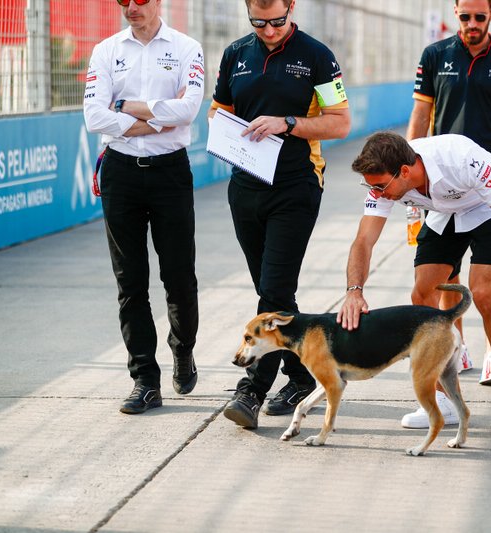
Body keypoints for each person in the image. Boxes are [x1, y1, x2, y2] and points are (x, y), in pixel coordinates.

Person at [209, 0, 350, 429]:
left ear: (291, 7)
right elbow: (220, 110)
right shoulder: (235, 54)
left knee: (272, 291)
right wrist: (226, 127)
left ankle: (251, 390)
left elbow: (340, 122)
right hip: (245, 187)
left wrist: (285, 122)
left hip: (296, 186)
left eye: (277, 21)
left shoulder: (317, 56)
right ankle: (304, 375)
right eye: (258, 22)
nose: (269, 30)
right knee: (274, 292)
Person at [338, 131, 491, 436]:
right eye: (370, 186)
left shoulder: (462, 160)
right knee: (423, 292)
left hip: (487, 206)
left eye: (379, 186)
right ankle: (444, 398)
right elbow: (364, 240)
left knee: (483, 291)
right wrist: (354, 291)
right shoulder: (386, 180)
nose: (375, 193)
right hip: (445, 212)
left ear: (404, 172)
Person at [83, 0, 205, 414]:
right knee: (130, 281)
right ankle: (145, 379)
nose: (131, 7)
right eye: (123, 1)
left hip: (170, 172)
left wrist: (127, 106)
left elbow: (189, 110)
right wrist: (156, 119)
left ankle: (183, 349)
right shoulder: (106, 50)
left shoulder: (187, 48)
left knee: (179, 277)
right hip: (121, 172)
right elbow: (93, 115)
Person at [405, 0, 491, 398]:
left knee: (490, 280)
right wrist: (407, 172)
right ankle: (457, 350)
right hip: (441, 180)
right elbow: (421, 115)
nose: (472, 24)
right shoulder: (435, 55)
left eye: (480, 16)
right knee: (443, 279)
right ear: (455, 12)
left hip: (486, 182)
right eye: (465, 16)